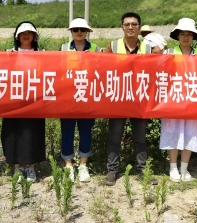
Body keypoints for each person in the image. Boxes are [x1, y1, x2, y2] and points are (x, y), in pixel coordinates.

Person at [104, 12, 156, 186]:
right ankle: (112, 170)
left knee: (140, 137)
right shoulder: (112, 46)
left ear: (139, 27)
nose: (131, 27)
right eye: (127, 24)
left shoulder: (148, 49)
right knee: (115, 136)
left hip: (140, 100)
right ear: (122, 27)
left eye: (134, 24)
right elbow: (102, 67)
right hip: (118, 98)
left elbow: (157, 70)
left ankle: (143, 171)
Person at [160, 18, 197, 182]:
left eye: (189, 34)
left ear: (193, 36)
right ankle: (173, 167)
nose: (186, 37)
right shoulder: (169, 53)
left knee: (190, 133)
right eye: (182, 34)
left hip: (193, 100)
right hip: (173, 99)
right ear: (177, 36)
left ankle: (184, 168)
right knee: (172, 131)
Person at [1, 21, 46, 182]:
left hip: (35, 100)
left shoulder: (42, 53)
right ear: (17, 36)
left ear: (34, 36)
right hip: (13, 100)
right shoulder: (9, 53)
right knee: (14, 132)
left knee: (32, 133)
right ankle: (17, 168)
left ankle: (31, 167)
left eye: (29, 33)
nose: (26, 36)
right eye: (23, 33)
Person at [59, 18, 101, 182]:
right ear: (71, 31)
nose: (79, 32)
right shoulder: (63, 49)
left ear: (87, 32)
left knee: (85, 131)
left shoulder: (96, 50)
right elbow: (57, 71)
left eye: (82, 30)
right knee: (67, 132)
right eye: (75, 29)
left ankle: (83, 165)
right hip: (68, 98)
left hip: (87, 96)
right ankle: (68, 164)